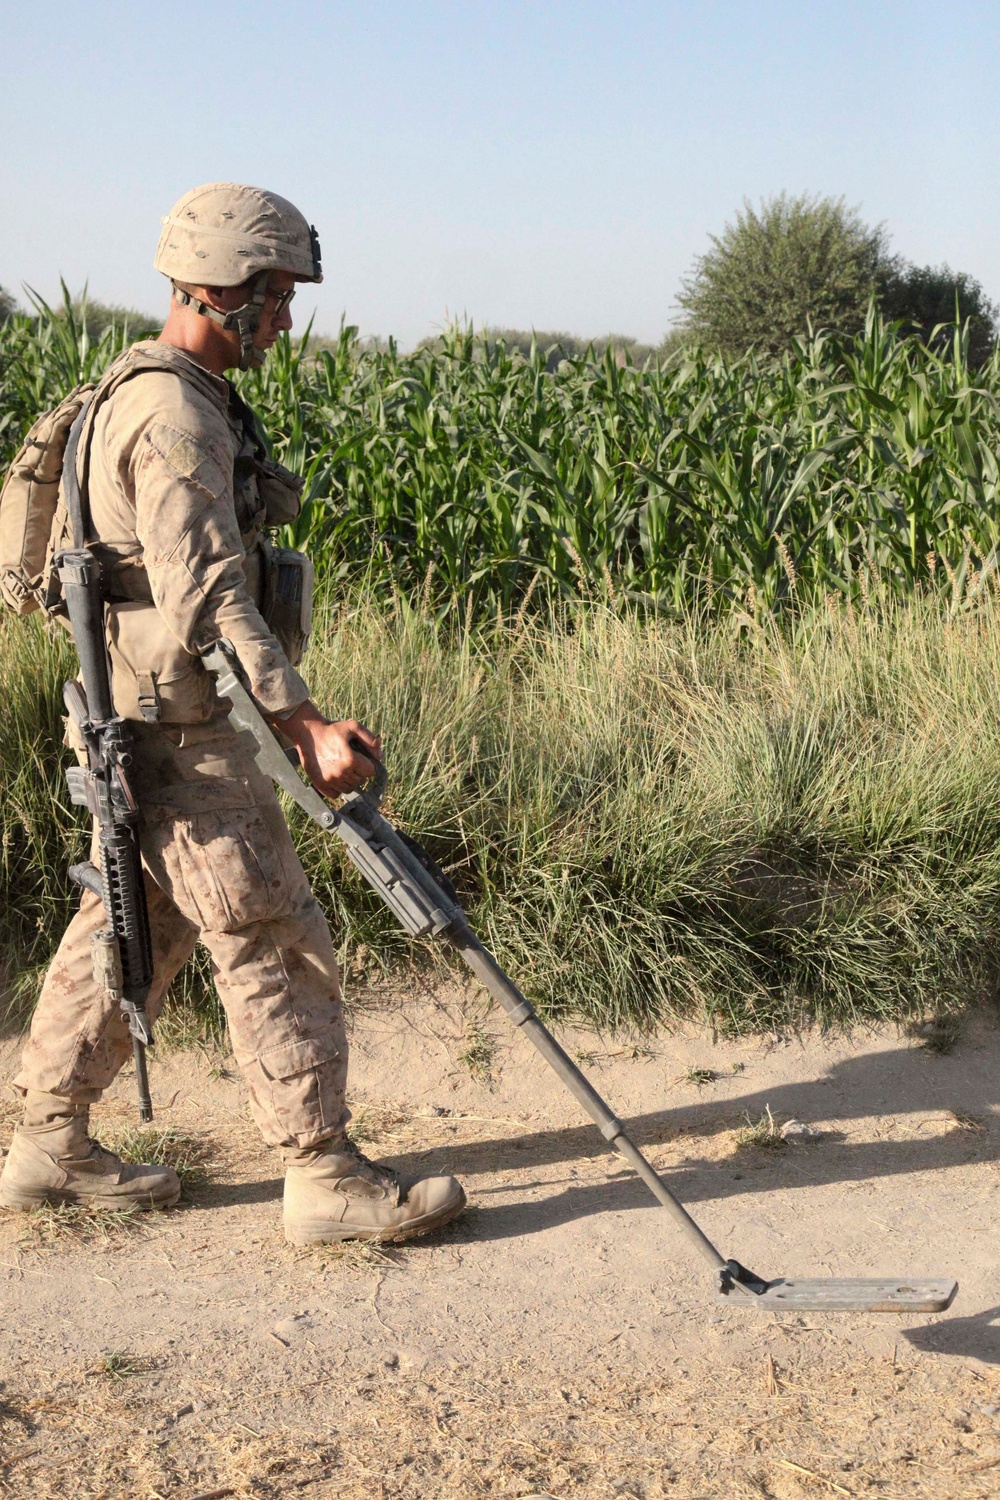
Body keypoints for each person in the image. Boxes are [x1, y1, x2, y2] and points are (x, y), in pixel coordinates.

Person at [0, 183, 466, 1245]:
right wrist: (299, 721)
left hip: (136, 715)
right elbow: (205, 590)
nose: (288, 319)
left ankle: (46, 1147)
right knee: (273, 932)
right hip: (183, 727)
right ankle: (323, 1177)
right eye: (276, 295)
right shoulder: (173, 415)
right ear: (221, 290)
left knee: (137, 923)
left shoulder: (135, 388)